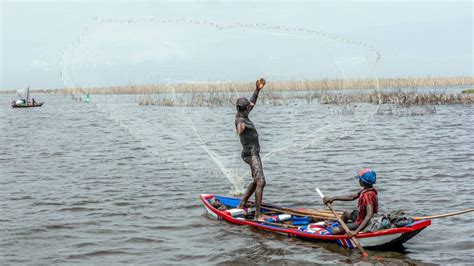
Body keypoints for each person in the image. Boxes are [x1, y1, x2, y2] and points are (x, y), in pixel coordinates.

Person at [235, 78, 269, 221]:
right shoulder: (241, 120)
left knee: (256, 180)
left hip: (252, 153)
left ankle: (242, 203)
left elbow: (252, 101)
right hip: (251, 154)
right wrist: (240, 129)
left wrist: (257, 89)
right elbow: (239, 127)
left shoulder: (244, 113)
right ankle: (258, 215)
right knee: (261, 181)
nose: (250, 106)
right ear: (242, 109)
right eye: (248, 106)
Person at [323, 168, 378, 236]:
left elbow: (369, 215)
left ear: (363, 182)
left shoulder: (367, 195)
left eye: (360, 179)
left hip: (361, 223)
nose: (359, 181)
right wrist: (333, 198)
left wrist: (356, 231)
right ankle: (340, 225)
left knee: (334, 231)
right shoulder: (368, 190)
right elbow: (352, 197)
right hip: (360, 216)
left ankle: (343, 229)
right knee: (346, 213)